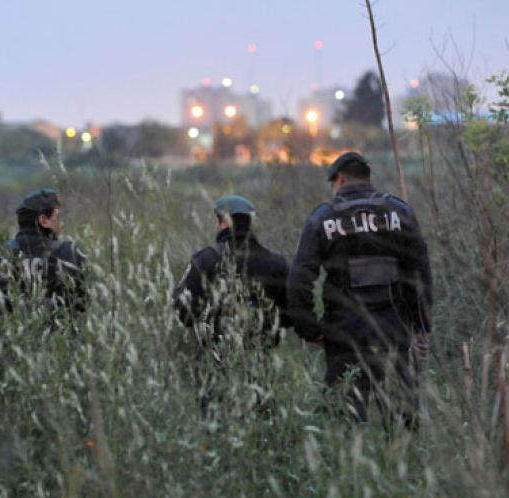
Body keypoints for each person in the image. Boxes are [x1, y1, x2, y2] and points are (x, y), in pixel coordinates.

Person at [287, 152, 432, 427]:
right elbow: (420, 275)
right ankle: (404, 467)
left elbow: (299, 280)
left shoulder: (323, 218)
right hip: (394, 333)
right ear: (367, 177)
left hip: (344, 335)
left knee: (344, 422)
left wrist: (311, 330)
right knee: (403, 420)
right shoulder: (400, 212)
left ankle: (349, 468)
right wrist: (421, 327)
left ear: (339, 179)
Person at [173, 194, 292, 416]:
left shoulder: (206, 260)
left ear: (224, 222)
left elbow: (184, 312)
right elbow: (288, 317)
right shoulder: (276, 263)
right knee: (262, 431)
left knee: (215, 430)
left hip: (217, 365)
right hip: (262, 365)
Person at [0, 189, 86, 324]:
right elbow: (82, 306)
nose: (62, 224)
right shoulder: (70, 253)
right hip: (59, 341)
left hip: (10, 341)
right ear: (44, 220)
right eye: (58, 218)